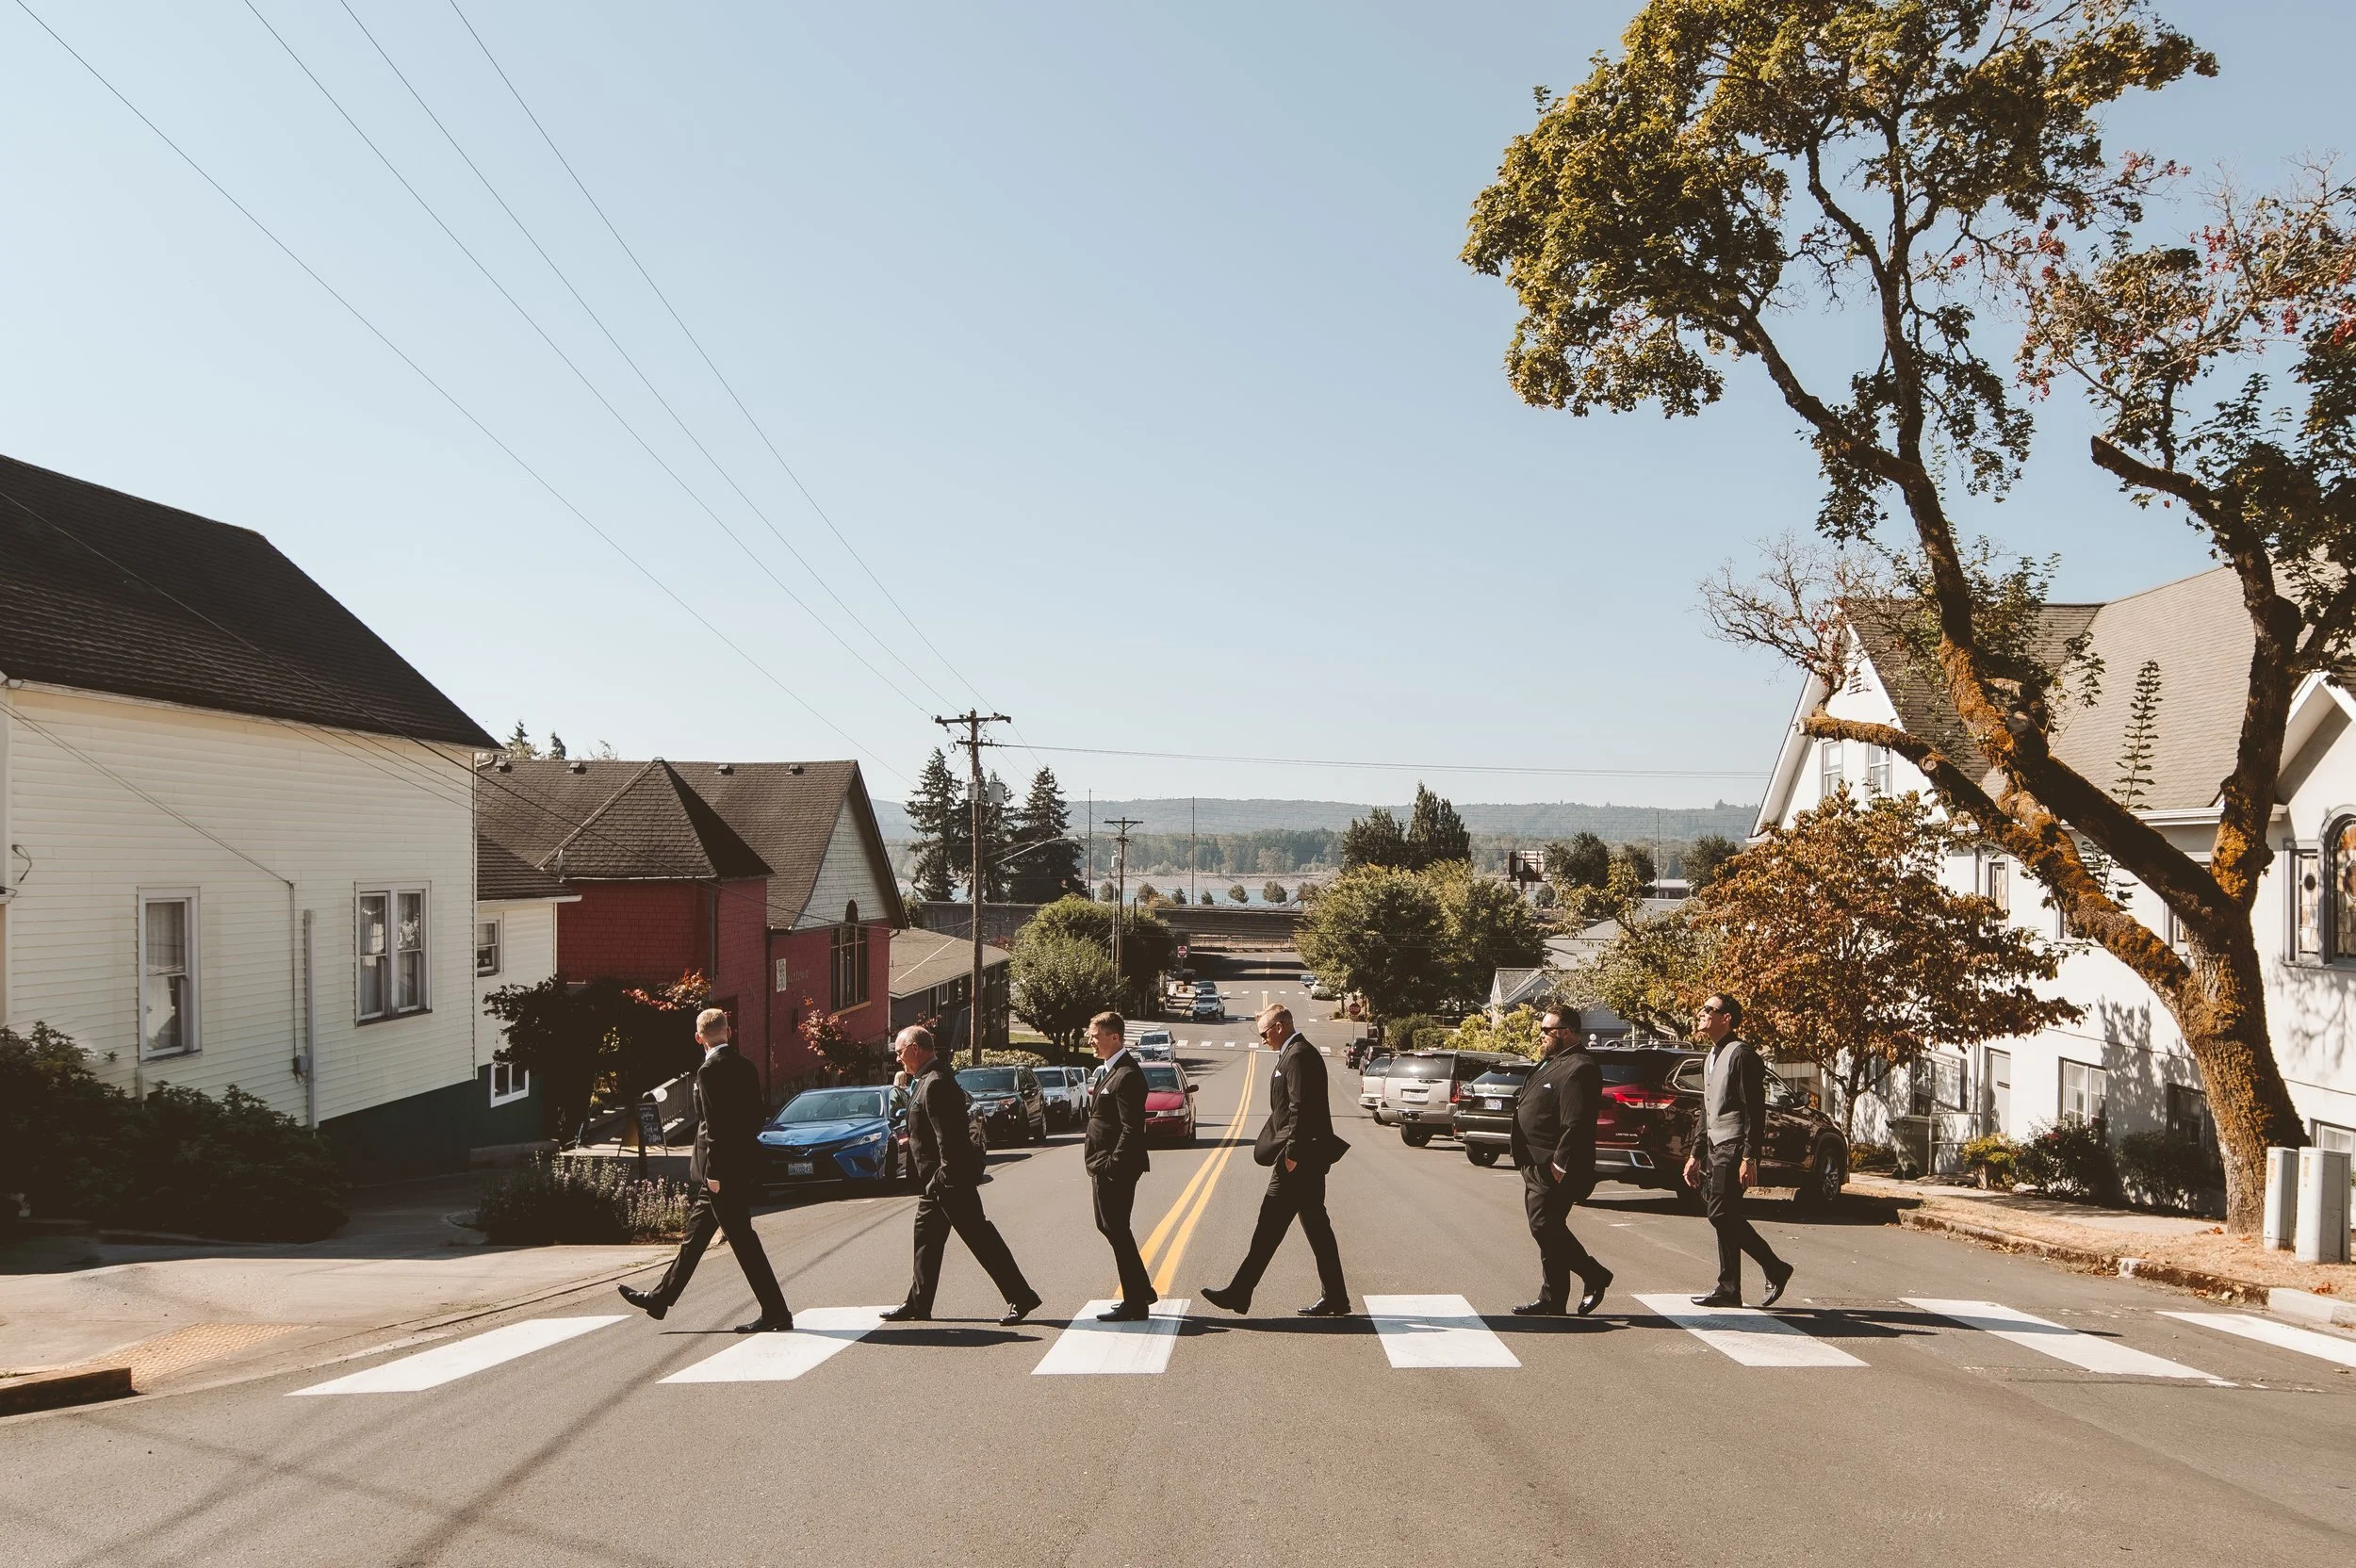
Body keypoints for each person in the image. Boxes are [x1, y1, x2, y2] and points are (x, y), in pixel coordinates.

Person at [619, 1008, 793, 1332]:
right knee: (694, 1239)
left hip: (719, 1173)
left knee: (743, 1242)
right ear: (730, 1032)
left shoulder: (709, 1070)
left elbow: (715, 1127)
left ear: (699, 1037)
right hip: (733, 1168)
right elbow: (756, 1116)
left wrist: (715, 1172)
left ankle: (777, 1312)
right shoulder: (746, 1066)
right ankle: (660, 1299)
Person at [882, 1026, 1042, 1326]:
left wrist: (944, 1179)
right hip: (935, 1185)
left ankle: (1021, 1297)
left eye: (900, 1052)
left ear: (915, 1049)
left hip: (949, 1182)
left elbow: (950, 1139)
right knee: (926, 1242)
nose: (898, 1059)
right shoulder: (926, 1080)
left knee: (981, 1239)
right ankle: (918, 1302)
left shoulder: (937, 1083)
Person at [1202, 1004, 1350, 1317]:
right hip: (1305, 1158)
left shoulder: (1298, 1055)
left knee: (1269, 1225)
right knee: (1316, 1228)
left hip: (1299, 1160)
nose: (1263, 1039)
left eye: (1265, 1032)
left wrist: (1293, 1154)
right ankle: (1335, 1297)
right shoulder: (1295, 1053)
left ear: (1280, 1027)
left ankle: (1239, 1293)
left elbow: (1300, 1108)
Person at [1681, 994, 1793, 1308]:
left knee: (1719, 1212)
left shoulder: (1742, 1054)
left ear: (1725, 1018)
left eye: (1708, 1009)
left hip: (1734, 1146)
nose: (1700, 1013)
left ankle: (1775, 1267)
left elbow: (1754, 1110)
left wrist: (1750, 1156)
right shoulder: (1711, 1056)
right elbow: (1708, 1110)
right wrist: (1696, 1153)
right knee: (1724, 1215)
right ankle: (1729, 1288)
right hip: (1715, 1147)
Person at [1509, 1004, 1612, 1316]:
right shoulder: (1551, 1062)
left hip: (1556, 1166)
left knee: (1544, 1224)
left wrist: (1560, 1163)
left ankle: (1594, 1274)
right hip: (1535, 1161)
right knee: (1548, 1226)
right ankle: (1553, 1298)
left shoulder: (1581, 1067)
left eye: (1546, 1030)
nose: (1540, 1035)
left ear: (1565, 1033)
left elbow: (1576, 1122)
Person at [1083, 1010, 1156, 1321]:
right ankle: (1141, 1291)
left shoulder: (1127, 1075)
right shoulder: (1110, 1071)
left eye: (1095, 1036)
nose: (1090, 1041)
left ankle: (1136, 1302)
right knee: (1110, 1226)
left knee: (1116, 1228)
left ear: (1115, 1038)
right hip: (1104, 1165)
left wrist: (1113, 1164)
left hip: (1116, 1168)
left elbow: (1132, 1126)